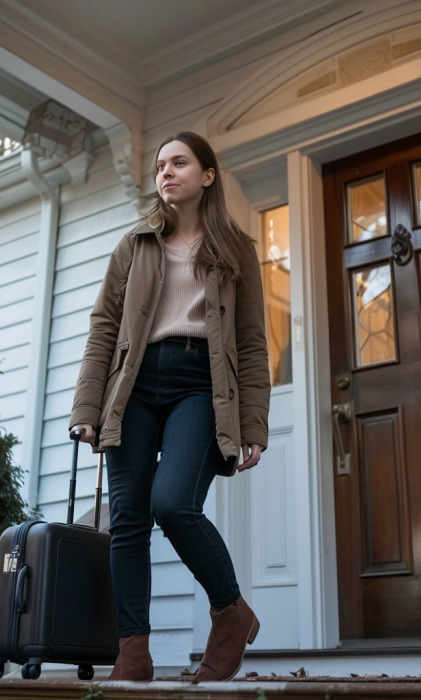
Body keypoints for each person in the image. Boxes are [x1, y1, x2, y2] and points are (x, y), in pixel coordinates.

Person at [69, 131, 271, 682]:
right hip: (132, 385)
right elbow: (103, 329)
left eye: (179, 162)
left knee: (173, 503)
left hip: (200, 384)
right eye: (160, 165)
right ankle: (132, 652)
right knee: (128, 519)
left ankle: (230, 612)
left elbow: (251, 341)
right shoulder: (134, 245)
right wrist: (88, 406)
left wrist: (253, 421)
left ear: (207, 175)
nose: (166, 172)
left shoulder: (236, 251)